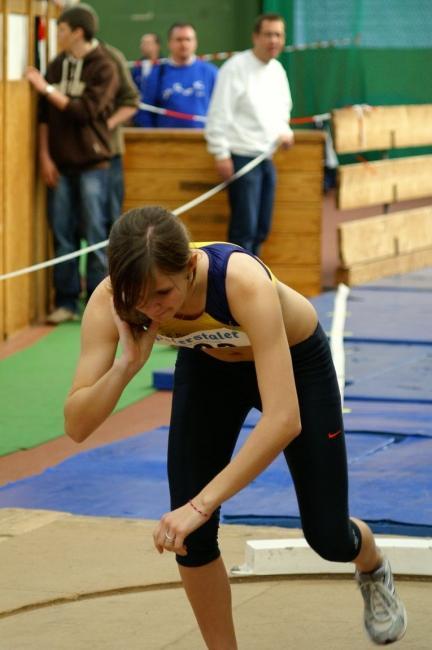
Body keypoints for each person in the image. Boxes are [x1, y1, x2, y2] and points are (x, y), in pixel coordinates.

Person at [64, 205, 407, 649]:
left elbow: (284, 420)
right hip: (208, 369)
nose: (152, 310)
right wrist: (127, 366)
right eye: (137, 299)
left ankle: (372, 562)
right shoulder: (113, 300)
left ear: (189, 267)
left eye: (163, 294)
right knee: (192, 540)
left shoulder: (241, 281)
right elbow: (76, 424)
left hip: (295, 363)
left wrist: (201, 503)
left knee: (327, 536)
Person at [26, 5, 119, 324]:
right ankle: (66, 301)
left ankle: (98, 304)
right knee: (62, 235)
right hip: (60, 165)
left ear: (78, 32)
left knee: (94, 236)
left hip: (94, 165)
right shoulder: (56, 64)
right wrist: (44, 156)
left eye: (62, 29)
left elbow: (84, 112)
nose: (59, 35)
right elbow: (44, 117)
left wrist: (45, 88)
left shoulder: (104, 65)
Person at [205, 13, 294, 255]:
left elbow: (282, 111)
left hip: (266, 158)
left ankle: (253, 284)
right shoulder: (235, 68)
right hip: (242, 158)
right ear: (256, 36)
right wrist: (221, 154)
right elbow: (218, 113)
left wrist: (284, 132)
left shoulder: (277, 70)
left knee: (261, 229)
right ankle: (235, 286)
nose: (273, 40)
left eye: (278, 35)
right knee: (243, 230)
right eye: (268, 34)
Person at [139, 22, 218, 128]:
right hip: (166, 141)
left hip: (202, 139)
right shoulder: (157, 73)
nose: (184, 44)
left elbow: (222, 109)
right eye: (179, 39)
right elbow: (145, 111)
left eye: (188, 39)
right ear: (169, 43)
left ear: (195, 42)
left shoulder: (210, 72)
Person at [131, 32, 161, 127]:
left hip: (159, 119)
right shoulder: (137, 67)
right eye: (142, 43)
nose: (143, 46)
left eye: (147, 43)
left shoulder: (165, 66)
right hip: (139, 119)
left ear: (157, 46)